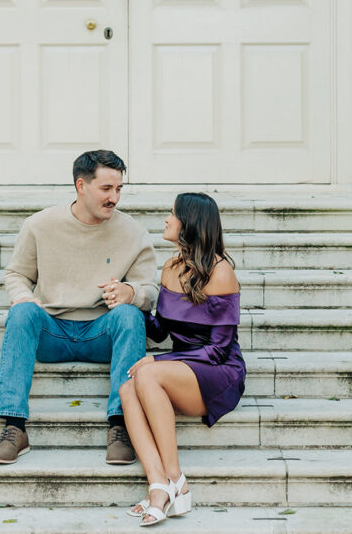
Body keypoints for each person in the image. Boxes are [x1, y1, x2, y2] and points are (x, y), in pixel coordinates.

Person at [0, 149, 159, 465]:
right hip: (52, 330)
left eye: (119, 189)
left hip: (102, 332)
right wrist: (24, 298)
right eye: (106, 189)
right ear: (82, 186)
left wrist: (130, 291)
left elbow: (150, 289)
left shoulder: (133, 232)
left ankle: (120, 426)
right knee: (21, 312)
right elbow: (17, 274)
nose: (115, 198)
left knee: (130, 316)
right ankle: (14, 426)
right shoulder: (40, 225)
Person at [119, 192, 246, 527]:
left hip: (218, 373)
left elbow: (219, 349)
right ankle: (158, 485)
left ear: (189, 223)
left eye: (172, 214)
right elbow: (160, 330)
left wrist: (158, 363)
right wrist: (128, 302)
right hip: (182, 369)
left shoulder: (221, 273)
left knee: (145, 375)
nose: (166, 219)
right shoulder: (170, 267)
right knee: (127, 389)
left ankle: (176, 479)